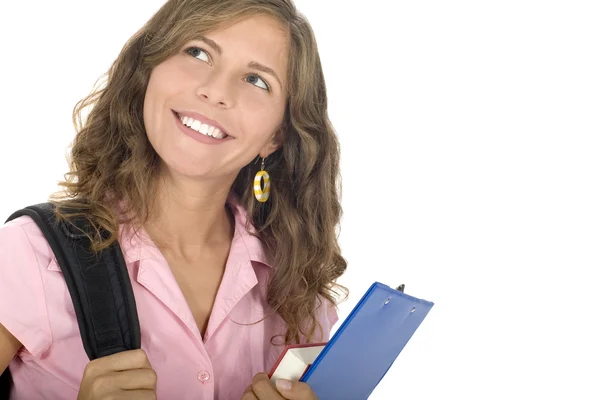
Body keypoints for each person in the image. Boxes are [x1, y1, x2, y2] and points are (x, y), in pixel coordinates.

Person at [0, 0, 347, 398]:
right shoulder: (26, 255)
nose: (215, 91)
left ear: (276, 135)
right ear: (148, 71)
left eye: (256, 80)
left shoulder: (299, 294)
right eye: (198, 52)